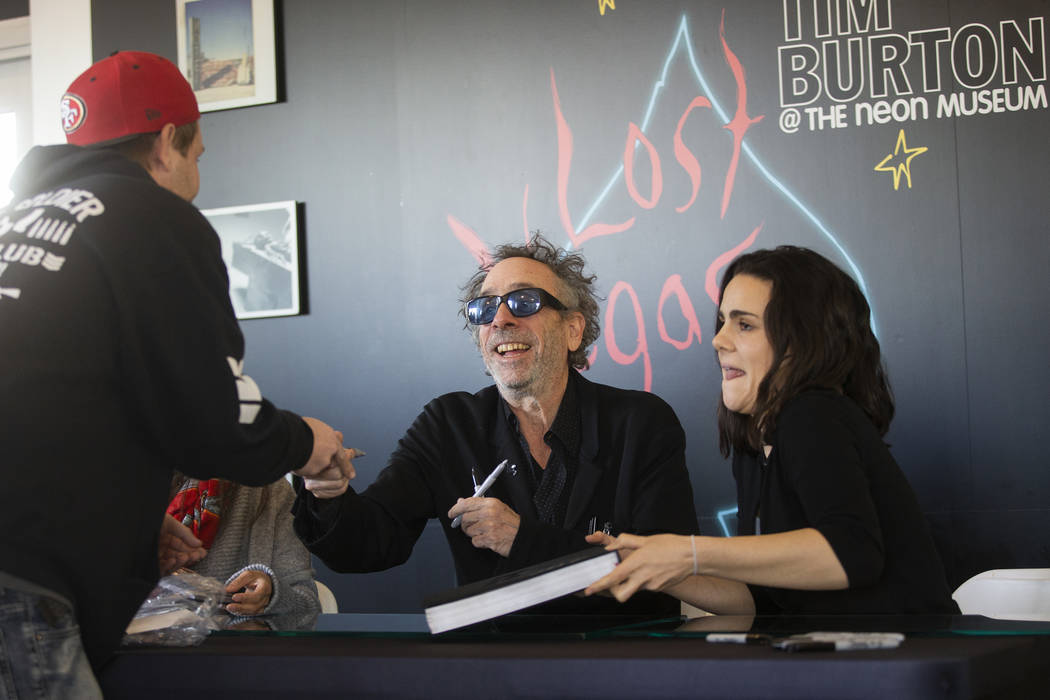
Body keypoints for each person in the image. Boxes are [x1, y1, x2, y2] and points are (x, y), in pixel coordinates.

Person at [0, 51, 351, 697]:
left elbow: (58, 401)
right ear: (167, 143)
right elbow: (213, 419)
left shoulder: (20, 222)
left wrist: (124, 518)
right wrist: (308, 442)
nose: (195, 177)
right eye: (198, 156)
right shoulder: (148, 214)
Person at [294, 235, 698, 616]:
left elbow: (667, 570)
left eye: (525, 301)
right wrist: (328, 494)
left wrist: (522, 540)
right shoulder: (448, 425)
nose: (500, 319)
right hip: (498, 670)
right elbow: (370, 544)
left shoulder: (641, 423)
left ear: (573, 329)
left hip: (628, 661)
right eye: (484, 308)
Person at [585, 245, 958, 615]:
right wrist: (653, 566)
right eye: (723, 322)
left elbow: (851, 553)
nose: (718, 340)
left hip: (909, 661)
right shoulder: (755, 446)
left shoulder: (812, 414)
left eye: (744, 325)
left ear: (800, 343)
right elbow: (763, 602)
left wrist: (689, 552)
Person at [162, 473, 321, 622]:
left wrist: (272, 597)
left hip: (229, 649)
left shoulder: (271, 493)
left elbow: (308, 606)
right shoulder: (138, 487)